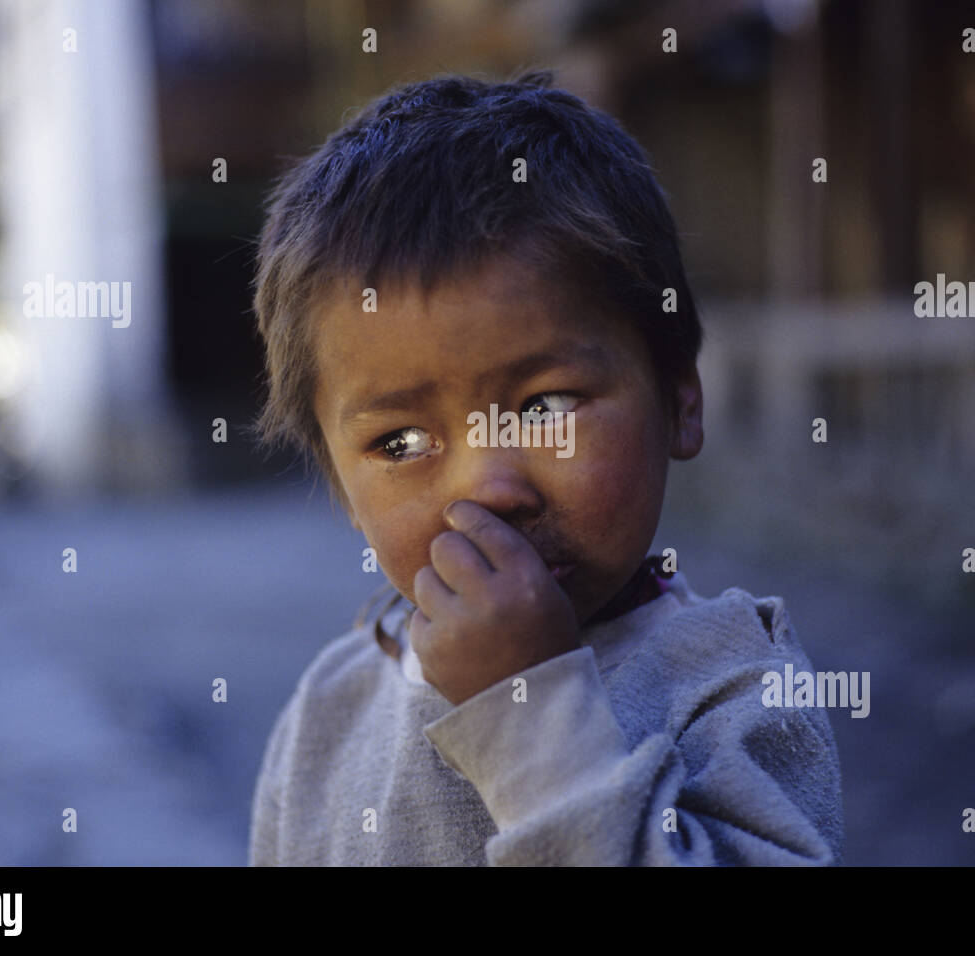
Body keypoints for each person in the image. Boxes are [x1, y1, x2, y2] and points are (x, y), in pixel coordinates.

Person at [248, 69, 844, 865]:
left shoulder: (732, 689)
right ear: (340, 488)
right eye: (400, 443)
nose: (488, 488)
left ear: (679, 399)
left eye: (546, 406)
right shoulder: (328, 709)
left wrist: (528, 714)